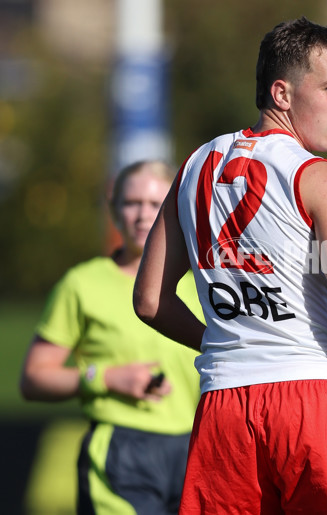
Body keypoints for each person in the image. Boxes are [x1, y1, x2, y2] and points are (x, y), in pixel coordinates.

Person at [133, 17, 327, 515]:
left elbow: (149, 301)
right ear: (283, 93)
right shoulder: (321, 179)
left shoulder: (193, 166)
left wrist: (223, 340)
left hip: (224, 407)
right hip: (314, 398)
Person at [20, 160, 205, 515]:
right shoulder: (82, 283)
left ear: (174, 208)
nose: (141, 215)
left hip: (198, 448)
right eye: (131, 203)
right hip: (122, 450)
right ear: (114, 209)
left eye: (154, 204)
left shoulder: (203, 281)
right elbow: (33, 378)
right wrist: (105, 377)